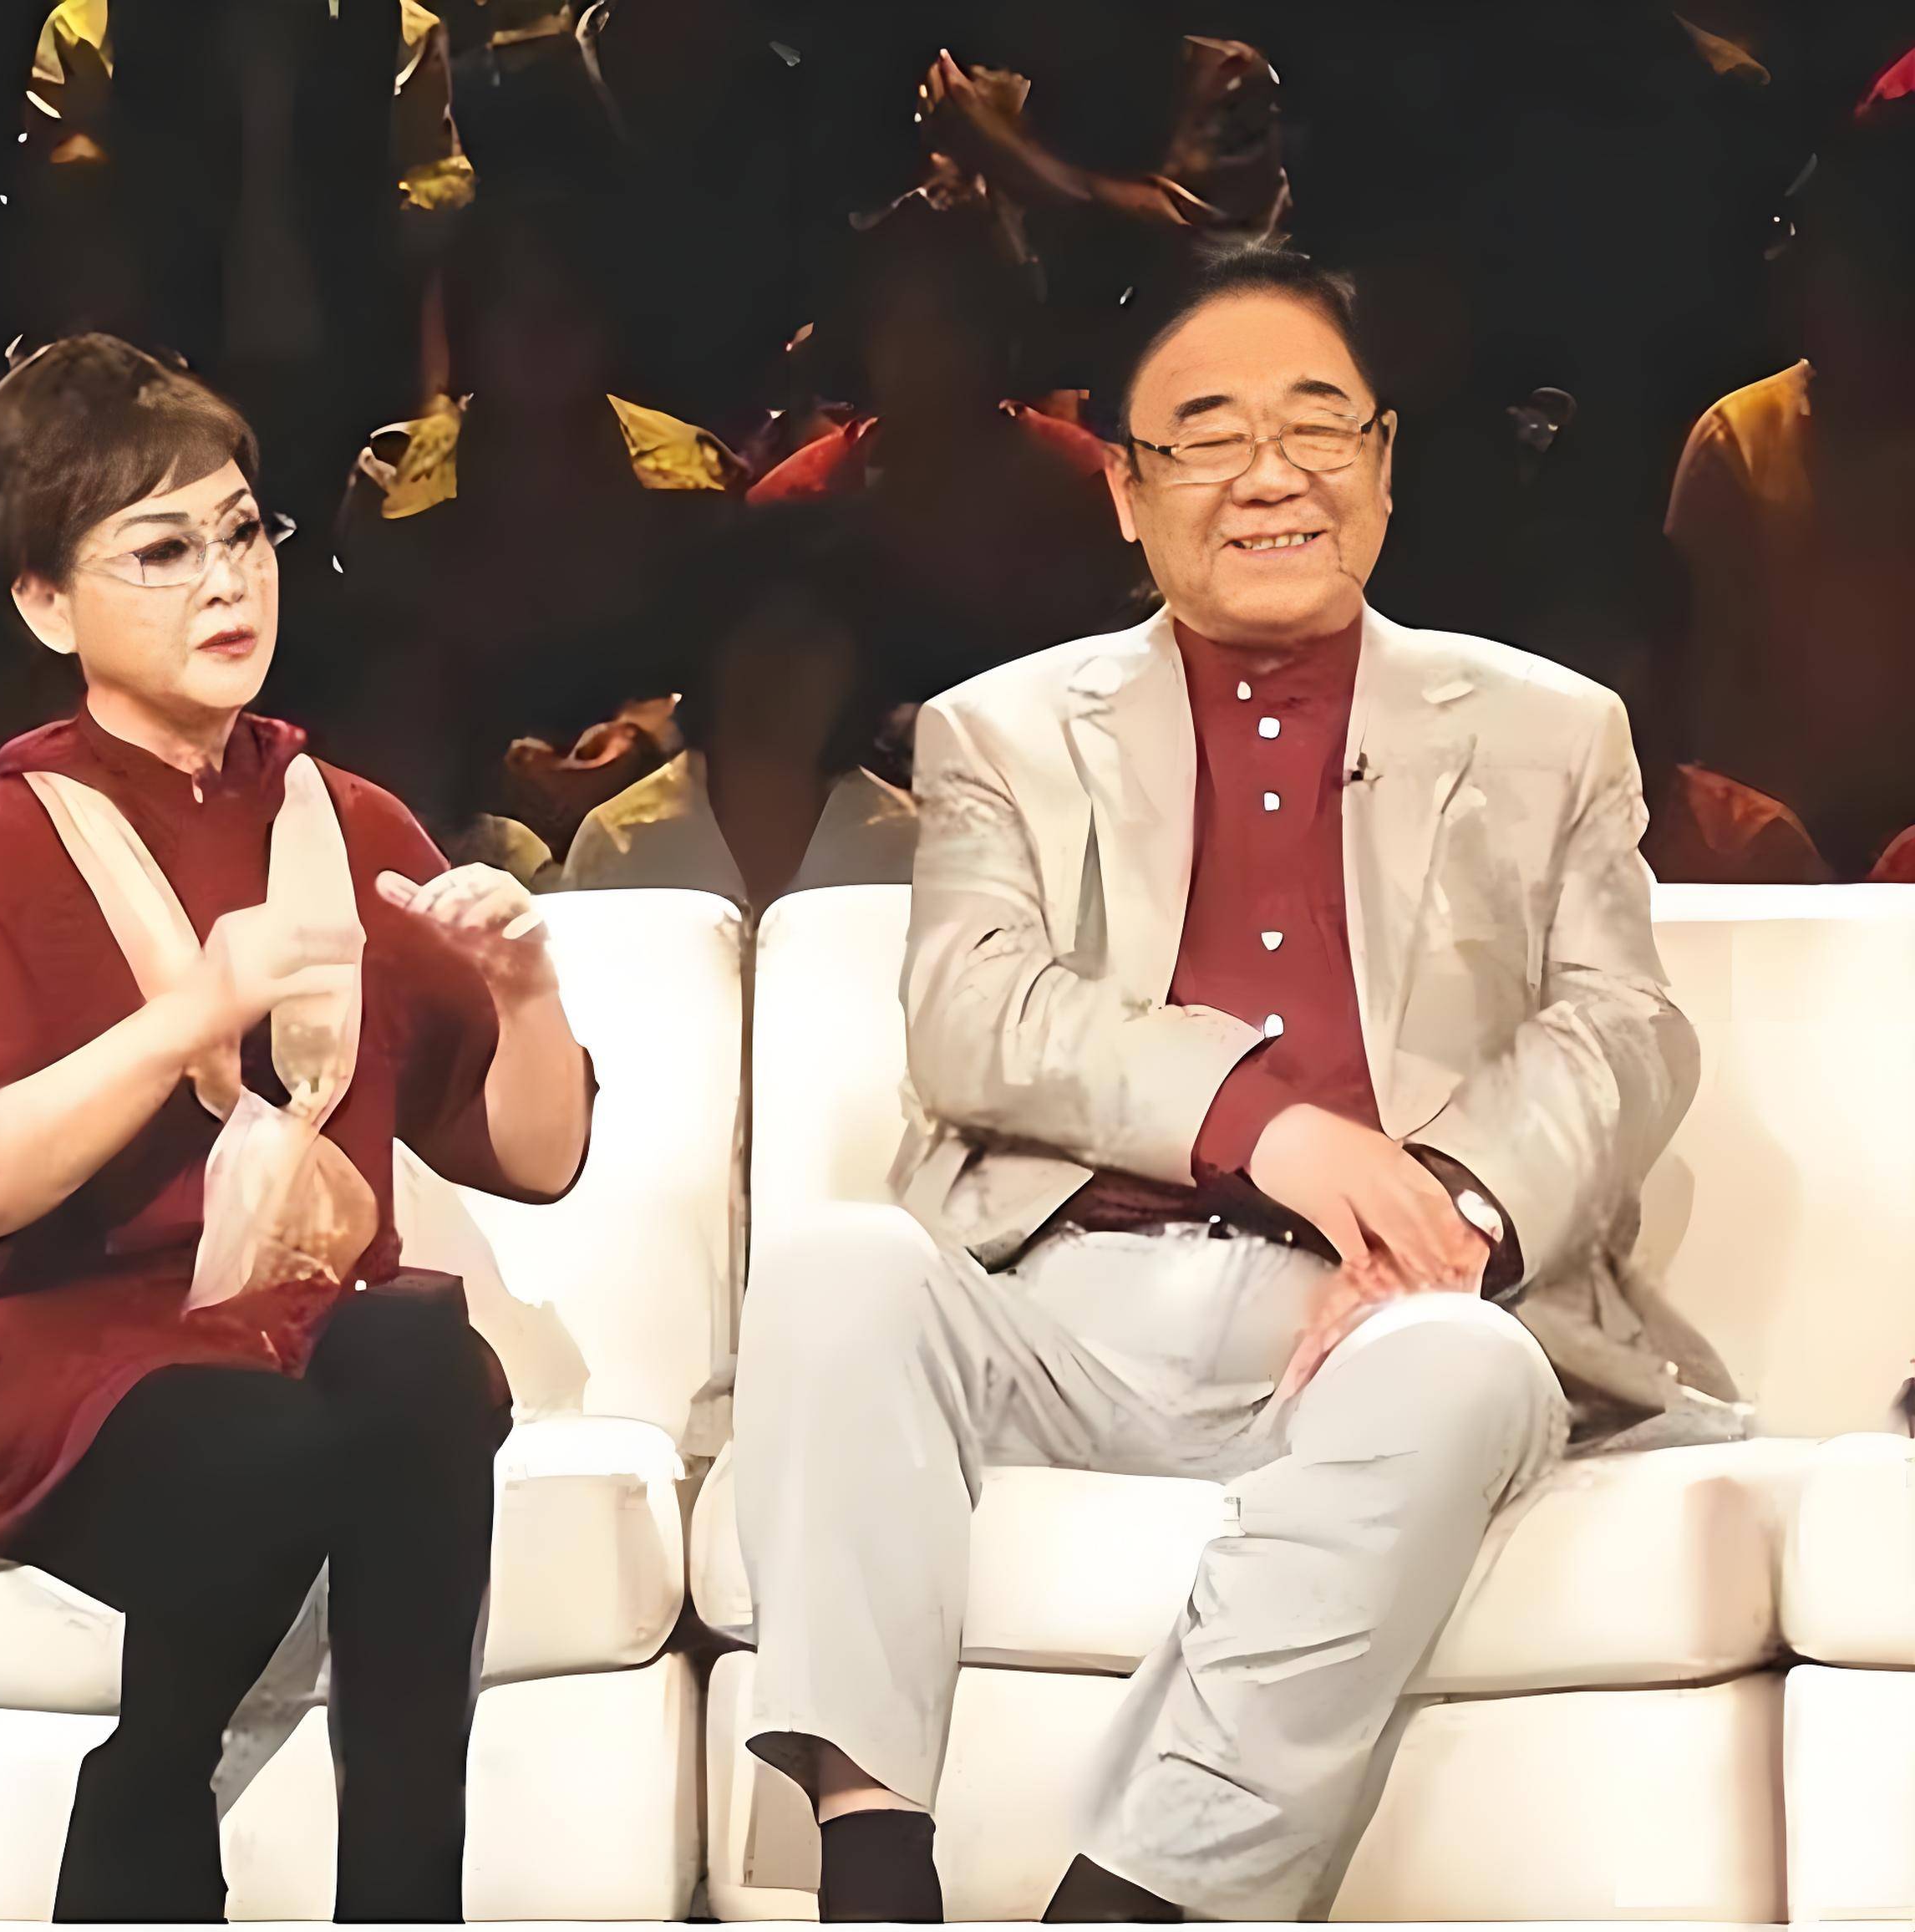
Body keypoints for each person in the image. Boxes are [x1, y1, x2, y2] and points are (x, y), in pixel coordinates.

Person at [731, 242, 1735, 1924]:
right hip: (1058, 1302)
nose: (1271, 474)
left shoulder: (1549, 731)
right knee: (838, 1268)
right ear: (1127, 493)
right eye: (1206, 435)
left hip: (1375, 1321)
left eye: (1316, 425)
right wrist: (1269, 1128)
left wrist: (1450, 1212)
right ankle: (874, 1869)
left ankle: (1128, 1902)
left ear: (1384, 464)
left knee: (1462, 1371)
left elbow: (1622, 1027)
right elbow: (973, 1008)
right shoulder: (1003, 732)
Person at [0, 336, 593, 1922]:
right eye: (161, 551)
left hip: (307, 1334)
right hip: (81, 1358)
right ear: (46, 604)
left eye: (241, 531)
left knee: (421, 1354)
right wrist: (189, 1016)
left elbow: (537, 1158)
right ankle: (150, 1793)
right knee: (301, 1445)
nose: (227, 581)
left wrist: (527, 990)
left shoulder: (346, 819)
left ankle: (399, 1902)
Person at [1664, 85, 1915, 878]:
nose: (1785, 262)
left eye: (1817, 240)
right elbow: (1705, 705)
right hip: (1773, 865)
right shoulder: (1740, 437)